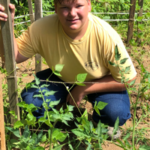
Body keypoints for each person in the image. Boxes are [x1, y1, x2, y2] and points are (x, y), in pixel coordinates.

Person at [0, 0, 137, 139]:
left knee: (115, 112)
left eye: (79, 6)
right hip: (61, 77)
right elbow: (13, 57)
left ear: (89, 5)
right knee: (31, 102)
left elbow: (128, 79)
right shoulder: (41, 28)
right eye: (64, 7)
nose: (72, 13)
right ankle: (60, 108)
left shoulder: (105, 35)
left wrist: (83, 88)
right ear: (55, 8)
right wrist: (7, 25)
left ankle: (101, 122)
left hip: (100, 80)